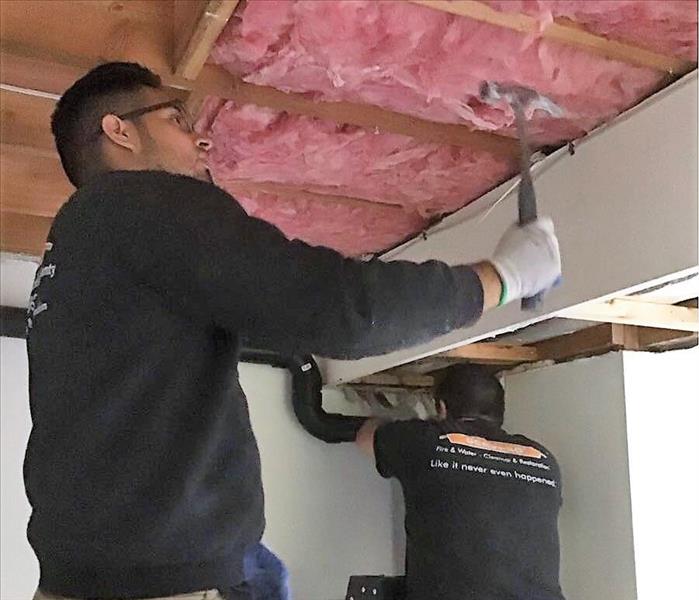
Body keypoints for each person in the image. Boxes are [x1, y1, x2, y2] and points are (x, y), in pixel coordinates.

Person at [25, 62, 561, 600]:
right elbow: (341, 309)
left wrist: (225, 546)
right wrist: (501, 278)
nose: (201, 138)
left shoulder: (78, 246)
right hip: (155, 583)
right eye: (177, 119)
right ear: (120, 131)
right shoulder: (143, 202)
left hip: (88, 575)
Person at [355, 364, 565, 600]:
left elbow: (365, 438)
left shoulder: (427, 441)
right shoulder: (543, 460)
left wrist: (400, 424)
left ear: (442, 408)